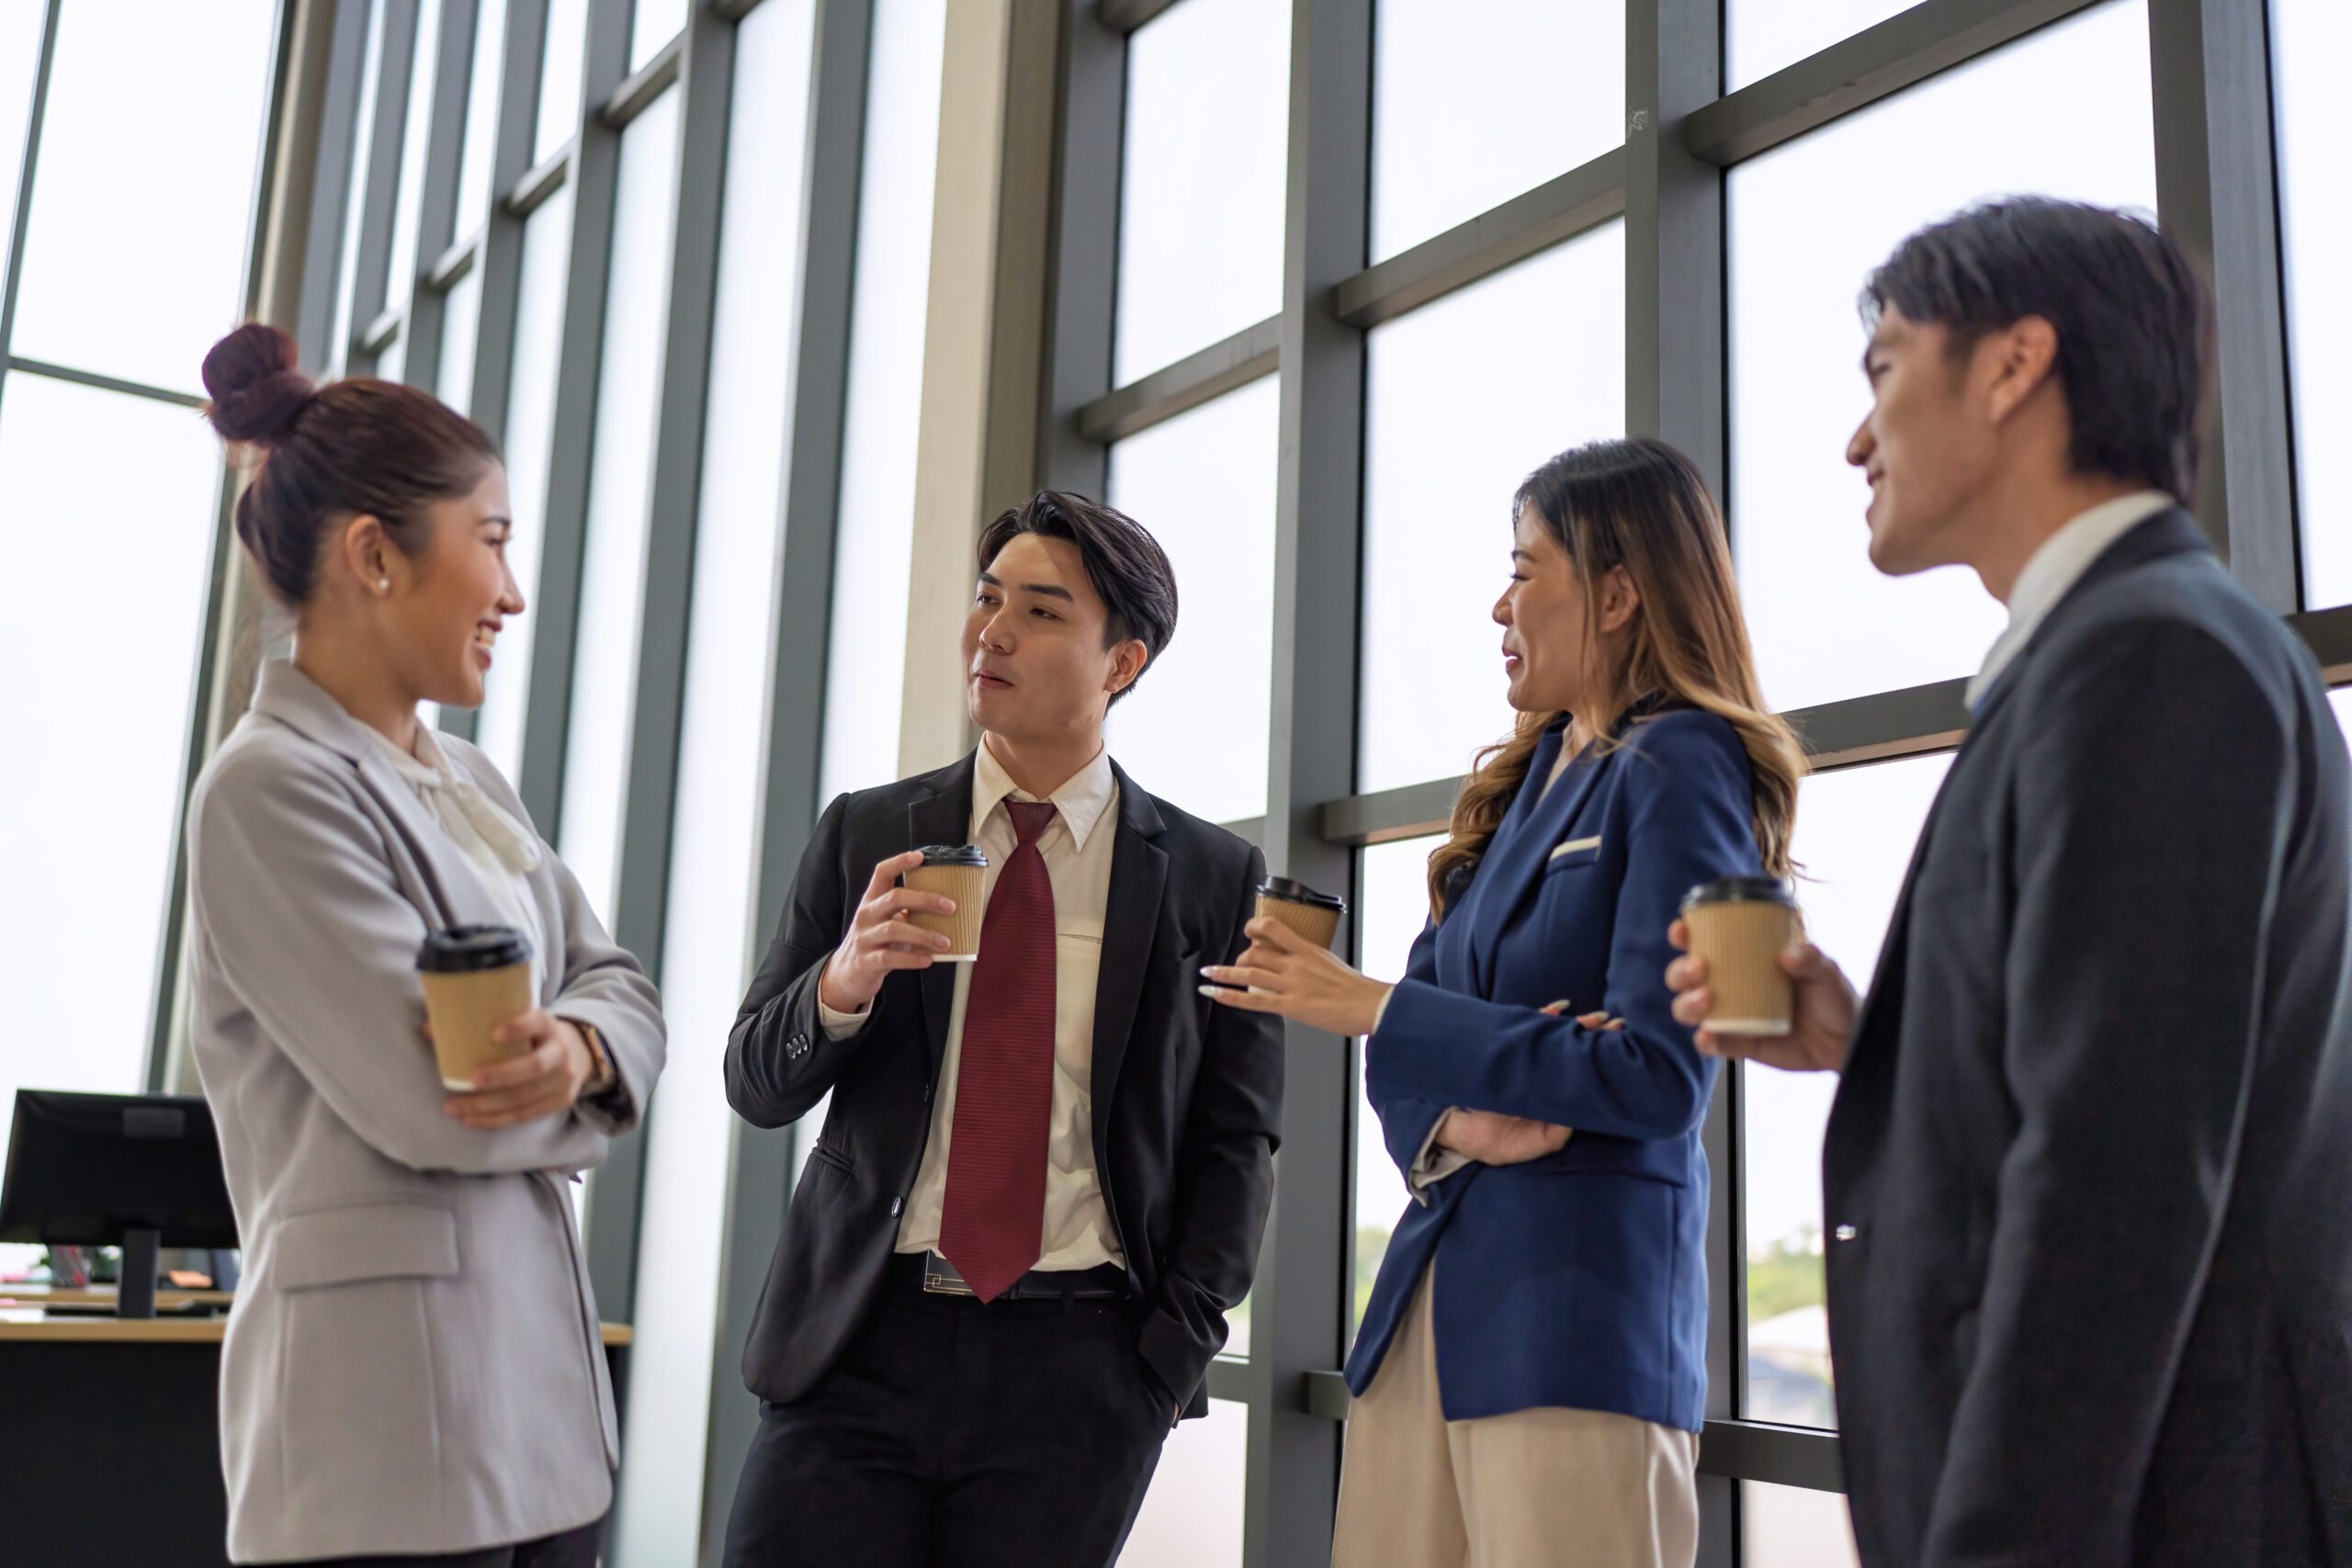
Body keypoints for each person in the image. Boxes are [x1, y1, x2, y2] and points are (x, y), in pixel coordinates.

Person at [1666, 198, 2352, 1566]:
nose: (1858, 438)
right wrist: (1883, 1043)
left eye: (1885, 370)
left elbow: (2116, 1189)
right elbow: (2112, 1076)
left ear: (2012, 364)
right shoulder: (2123, 649)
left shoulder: (2150, 656)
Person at [1205, 438, 1804, 1568]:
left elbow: (1658, 1076)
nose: (1499, 603)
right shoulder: (1527, 783)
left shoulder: (1684, 763)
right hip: (1431, 1310)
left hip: (1575, 1334)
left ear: (1619, 594)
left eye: (1525, 570)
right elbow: (1402, 1059)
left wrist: (1387, 1011)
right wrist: (1457, 1119)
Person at [721, 490, 1283, 1567]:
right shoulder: (870, 833)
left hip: (1080, 1373)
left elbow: (1237, 1138)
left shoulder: (1209, 880)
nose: (992, 633)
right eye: (987, 602)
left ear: (1120, 663)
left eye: (1039, 610)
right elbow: (755, 1081)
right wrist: (842, 983)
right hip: (854, 1343)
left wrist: (1163, 1362)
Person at [185, 323, 667, 1566]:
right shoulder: (268, 789)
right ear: (372, 556)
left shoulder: (469, 779)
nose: (511, 593)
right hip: (381, 1449)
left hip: (537, 1429)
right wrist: (586, 1077)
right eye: (492, 540)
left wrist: (579, 1049)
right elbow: (435, 1095)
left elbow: (621, 986)